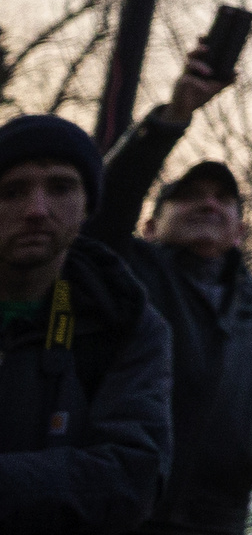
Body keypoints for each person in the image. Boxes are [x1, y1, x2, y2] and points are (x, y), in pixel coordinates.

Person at [93, 57, 252, 535]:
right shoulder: (124, 273)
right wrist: (173, 117)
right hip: (117, 511)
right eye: (189, 194)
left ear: (240, 231)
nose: (208, 202)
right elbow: (105, 204)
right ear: (151, 225)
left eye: (224, 198)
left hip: (218, 520)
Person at [0, 114, 172, 533]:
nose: (37, 210)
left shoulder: (123, 321)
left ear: (87, 206)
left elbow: (132, 476)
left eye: (61, 187)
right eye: (12, 191)